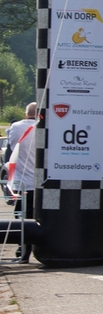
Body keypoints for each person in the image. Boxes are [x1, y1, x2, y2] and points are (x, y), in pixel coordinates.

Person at [8, 102, 37, 263]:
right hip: (39, 182)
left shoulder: (16, 127)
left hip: (22, 182)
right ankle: (33, 248)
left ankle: (22, 251)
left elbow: (13, 147)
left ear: (26, 114)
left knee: (21, 217)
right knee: (37, 218)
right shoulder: (44, 127)